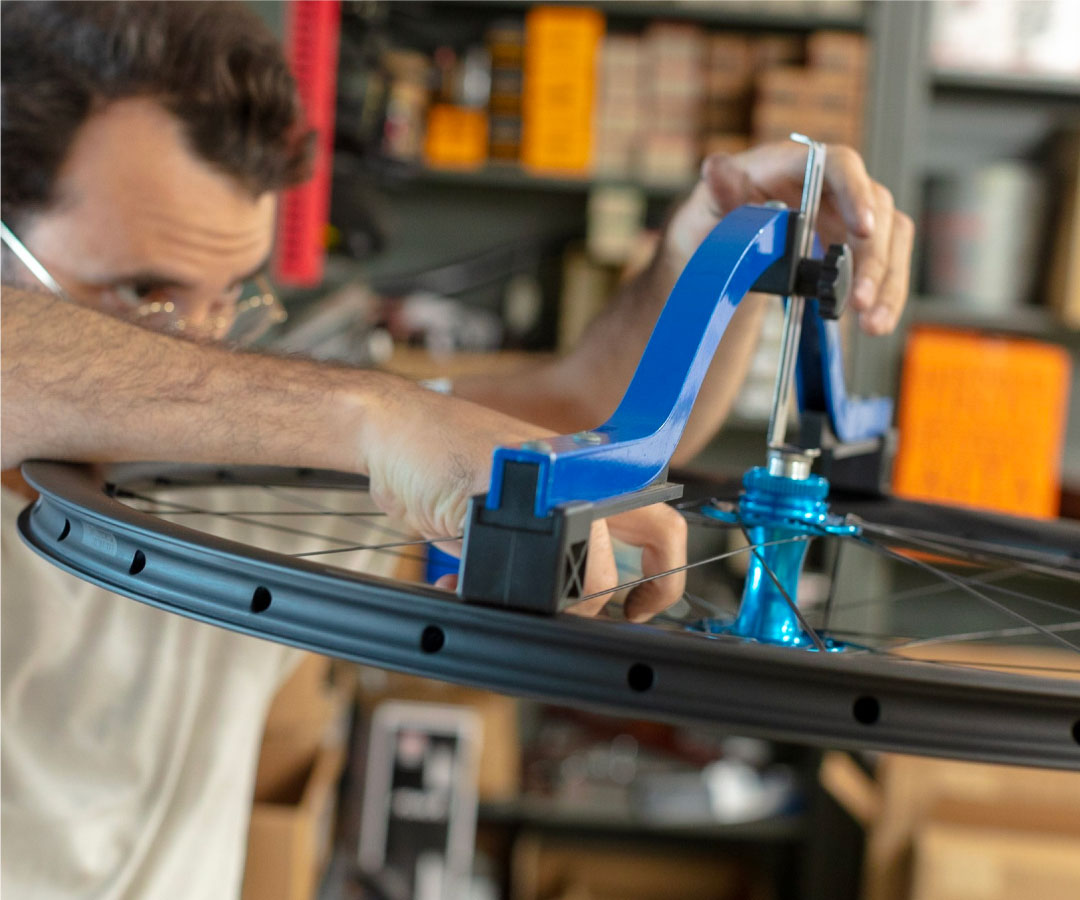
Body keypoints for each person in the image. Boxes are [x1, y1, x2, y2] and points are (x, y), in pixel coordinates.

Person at [0, 2, 912, 898]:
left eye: (230, 296)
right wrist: (364, 416)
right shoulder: (312, 417)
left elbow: (583, 419)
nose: (194, 342)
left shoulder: (246, 459)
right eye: (139, 295)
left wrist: (714, 251)